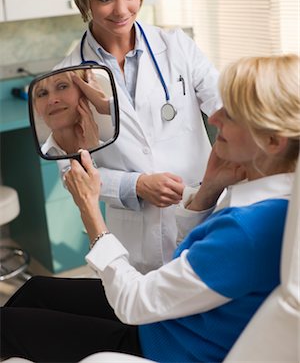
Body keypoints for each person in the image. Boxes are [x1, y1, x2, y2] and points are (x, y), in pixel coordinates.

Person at [1, 54, 299, 363]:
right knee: (35, 289)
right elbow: (184, 262)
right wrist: (208, 190)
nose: (213, 118)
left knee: (7, 326)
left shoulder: (248, 228)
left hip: (164, 345)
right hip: (173, 319)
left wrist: (89, 209)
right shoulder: (270, 202)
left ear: (273, 141)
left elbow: (133, 303)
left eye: (232, 114)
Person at [55, 0, 221, 273]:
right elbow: (71, 170)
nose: (122, 10)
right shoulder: (65, 78)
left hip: (200, 212)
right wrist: (136, 185)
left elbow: (227, 109)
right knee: (142, 316)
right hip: (135, 235)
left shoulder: (178, 48)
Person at [32, 68, 110, 156]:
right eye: (42, 93)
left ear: (85, 93)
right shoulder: (39, 158)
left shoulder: (114, 155)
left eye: (62, 87)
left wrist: (94, 149)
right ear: (36, 108)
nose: (52, 100)